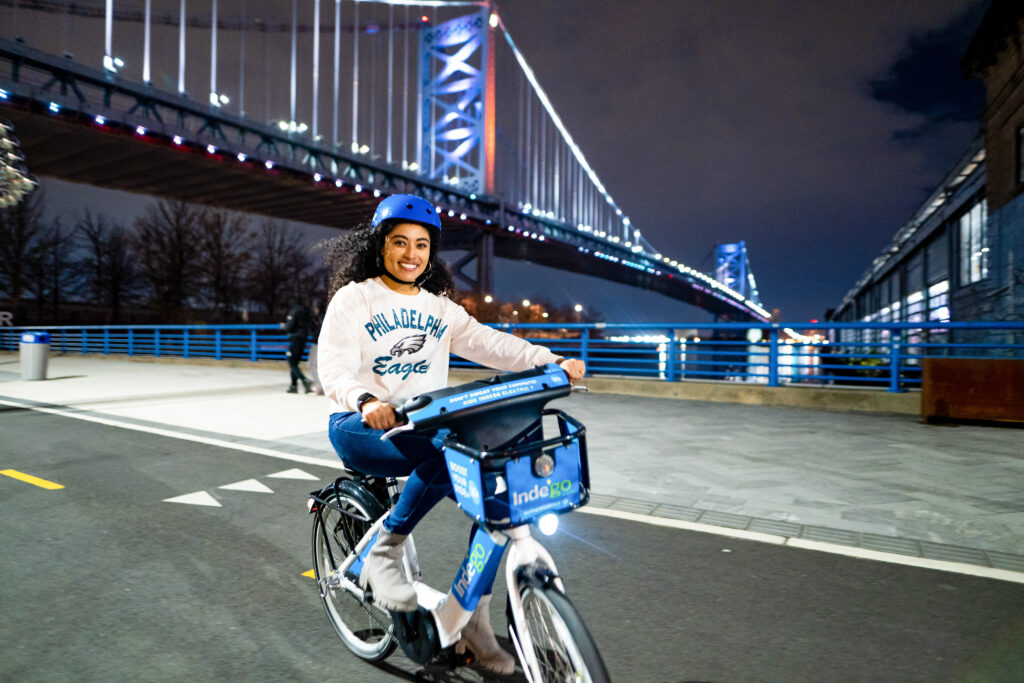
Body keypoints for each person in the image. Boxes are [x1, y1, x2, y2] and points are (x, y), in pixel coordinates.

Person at [318, 193, 585, 674]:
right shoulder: (354, 299)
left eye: (421, 245)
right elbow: (333, 369)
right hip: (360, 425)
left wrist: (551, 362)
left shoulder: (439, 309)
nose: (410, 254)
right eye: (399, 242)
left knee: (492, 482)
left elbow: (489, 343)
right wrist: (367, 401)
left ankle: (474, 624)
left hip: (425, 425)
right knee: (447, 452)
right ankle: (385, 550)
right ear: (379, 246)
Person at [281, 299, 313, 393]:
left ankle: (304, 380)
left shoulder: (294, 311)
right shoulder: (304, 311)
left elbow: (289, 327)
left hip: (295, 339)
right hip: (303, 339)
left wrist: (285, 326)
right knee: (294, 362)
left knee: (291, 361)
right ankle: (293, 386)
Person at [307, 300, 325, 395]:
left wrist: (312, 328)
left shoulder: (320, 318)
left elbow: (317, 332)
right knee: (317, 364)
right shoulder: (324, 316)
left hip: (318, 343)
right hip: (321, 343)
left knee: (312, 364)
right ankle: (321, 386)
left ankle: (321, 386)